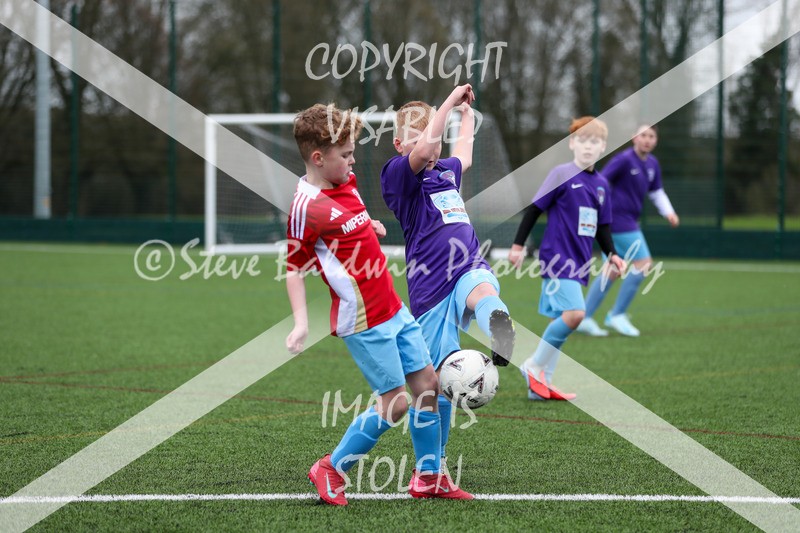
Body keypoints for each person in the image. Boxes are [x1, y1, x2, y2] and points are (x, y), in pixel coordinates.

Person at [285, 104, 471, 505]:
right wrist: (301, 323)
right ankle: (331, 468)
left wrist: (369, 225)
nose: (353, 162)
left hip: (392, 304)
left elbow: (348, 218)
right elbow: (294, 267)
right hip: (364, 320)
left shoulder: (344, 181)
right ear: (318, 158)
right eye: (346, 155)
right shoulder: (305, 207)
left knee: (428, 387)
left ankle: (429, 476)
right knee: (397, 403)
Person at [380, 85, 515, 470]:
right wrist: (450, 101)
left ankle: (498, 326)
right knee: (437, 385)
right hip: (430, 289)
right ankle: (432, 466)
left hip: (467, 263)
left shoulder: (444, 172)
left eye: (433, 134)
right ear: (398, 144)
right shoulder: (399, 177)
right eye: (420, 135)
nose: (430, 142)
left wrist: (467, 117)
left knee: (484, 288)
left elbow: (464, 155)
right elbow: (424, 150)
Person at [508, 116, 626, 400]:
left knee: (563, 320)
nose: (588, 146)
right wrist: (517, 245)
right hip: (556, 258)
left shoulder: (602, 185)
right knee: (575, 314)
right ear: (572, 143)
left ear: (603, 147)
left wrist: (613, 254)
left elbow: (603, 226)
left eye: (594, 142)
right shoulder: (560, 174)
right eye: (582, 140)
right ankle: (533, 365)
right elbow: (534, 210)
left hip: (580, 261)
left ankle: (542, 385)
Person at [577, 124, 679, 337]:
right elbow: (600, 180)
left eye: (651, 136)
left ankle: (584, 318)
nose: (647, 139)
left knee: (612, 269)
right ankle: (617, 314)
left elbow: (657, 191)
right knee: (644, 263)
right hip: (617, 221)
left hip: (628, 221)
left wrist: (668, 212)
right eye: (643, 135)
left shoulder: (652, 164)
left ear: (655, 140)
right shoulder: (623, 160)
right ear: (634, 138)